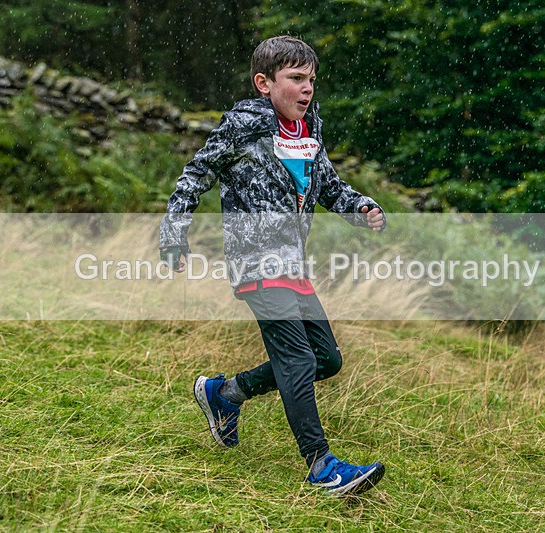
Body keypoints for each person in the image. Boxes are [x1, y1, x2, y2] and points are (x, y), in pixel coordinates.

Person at [159, 35, 386, 497]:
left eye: (311, 81)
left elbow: (327, 186)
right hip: (255, 262)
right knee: (297, 358)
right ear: (265, 83)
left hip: (293, 263)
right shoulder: (244, 127)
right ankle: (322, 467)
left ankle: (225, 395)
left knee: (326, 359)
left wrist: (360, 208)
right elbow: (195, 173)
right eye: (296, 79)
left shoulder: (309, 131)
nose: (307, 90)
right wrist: (173, 229)